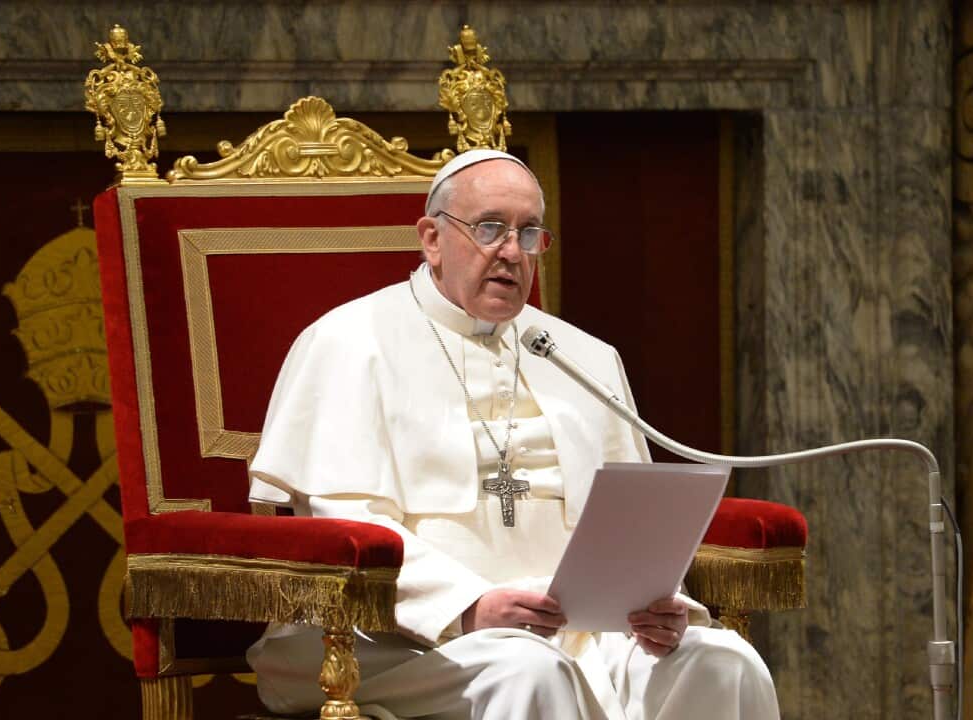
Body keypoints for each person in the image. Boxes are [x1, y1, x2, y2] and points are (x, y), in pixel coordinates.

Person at [246, 149, 779, 720]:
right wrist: (467, 606)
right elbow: (343, 523)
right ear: (431, 239)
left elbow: (630, 522)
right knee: (529, 672)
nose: (510, 252)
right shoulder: (349, 343)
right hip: (388, 635)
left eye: (529, 235)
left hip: (576, 630)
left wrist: (654, 603)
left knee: (725, 660)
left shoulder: (582, 356)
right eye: (491, 229)